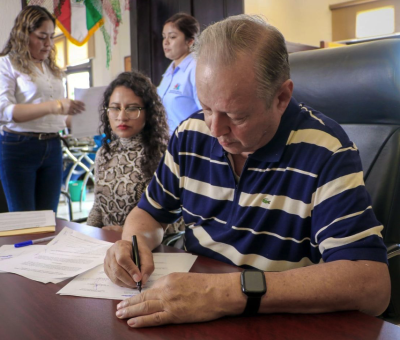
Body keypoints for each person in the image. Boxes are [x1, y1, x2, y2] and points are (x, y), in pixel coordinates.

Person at [104, 15, 391, 328]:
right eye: (207, 107)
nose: (215, 129)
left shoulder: (327, 151)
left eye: (235, 116)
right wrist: (132, 245)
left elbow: (372, 284)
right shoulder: (190, 133)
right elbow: (149, 214)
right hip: (189, 306)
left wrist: (227, 292)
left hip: (272, 320)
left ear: (281, 97)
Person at [0, 6, 85, 213]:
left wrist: (85, 119)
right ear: (23, 36)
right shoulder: (7, 64)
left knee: (49, 220)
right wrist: (55, 106)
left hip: (53, 145)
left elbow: (59, 118)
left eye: (51, 37)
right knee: (25, 223)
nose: (48, 44)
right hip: (18, 147)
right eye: (42, 37)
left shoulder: (51, 68)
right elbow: (5, 112)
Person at [87, 71, 170, 232]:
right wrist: (87, 234)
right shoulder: (104, 153)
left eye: (132, 109)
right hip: (107, 245)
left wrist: (127, 231)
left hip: (148, 249)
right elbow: (98, 207)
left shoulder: (163, 155)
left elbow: (175, 220)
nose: (122, 117)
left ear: (149, 112)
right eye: (115, 108)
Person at [157, 12, 201, 134]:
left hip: (190, 144)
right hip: (168, 145)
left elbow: (207, 113)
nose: (166, 42)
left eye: (172, 37)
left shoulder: (196, 68)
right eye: (164, 36)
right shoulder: (169, 71)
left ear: (190, 41)